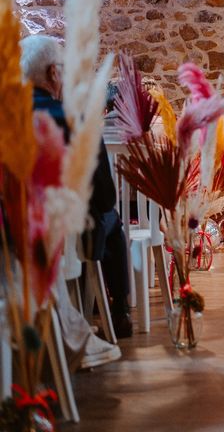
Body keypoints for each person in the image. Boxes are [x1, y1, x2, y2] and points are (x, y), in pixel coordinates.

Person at [21, 34, 132, 340]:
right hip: (70, 240)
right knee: (112, 221)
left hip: (14, 240)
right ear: (54, 74)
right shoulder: (77, 122)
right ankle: (119, 310)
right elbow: (106, 196)